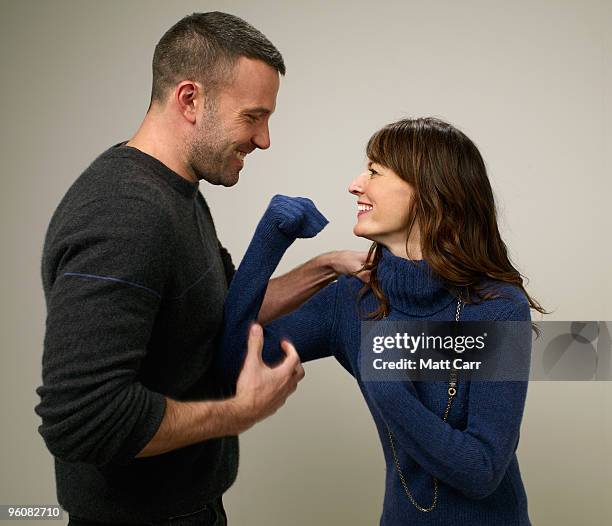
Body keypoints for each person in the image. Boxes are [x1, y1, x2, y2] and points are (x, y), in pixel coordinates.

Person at [35, 12, 366, 526]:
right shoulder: (125, 213)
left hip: (193, 509)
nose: (264, 140)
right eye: (253, 116)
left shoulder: (178, 192)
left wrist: (325, 267)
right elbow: (84, 420)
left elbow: (225, 309)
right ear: (190, 100)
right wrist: (241, 411)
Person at [219, 117, 547, 525]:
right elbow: (232, 362)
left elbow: (481, 471)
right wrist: (269, 241)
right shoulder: (351, 300)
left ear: (430, 191)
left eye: (374, 171)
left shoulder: (497, 306)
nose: (355, 185)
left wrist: (388, 388)